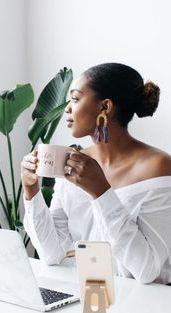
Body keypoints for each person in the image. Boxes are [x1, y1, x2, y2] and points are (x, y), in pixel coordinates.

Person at [21, 63, 171, 284]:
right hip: (86, 296)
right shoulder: (73, 162)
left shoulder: (159, 166)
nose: (66, 109)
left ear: (105, 107)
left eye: (75, 98)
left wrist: (101, 192)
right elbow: (52, 254)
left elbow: (147, 271)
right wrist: (31, 191)